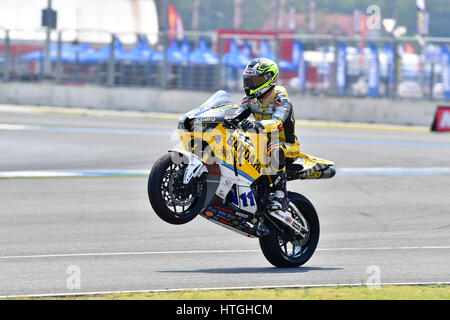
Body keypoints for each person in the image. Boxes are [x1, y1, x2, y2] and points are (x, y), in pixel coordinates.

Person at [231, 57, 301, 211]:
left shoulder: (280, 97)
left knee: (274, 146)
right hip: (261, 144)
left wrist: (256, 125)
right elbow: (235, 116)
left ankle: (281, 195)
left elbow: (278, 122)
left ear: (269, 79)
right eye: (249, 80)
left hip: (288, 147)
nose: (250, 84)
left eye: (255, 80)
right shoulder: (251, 98)